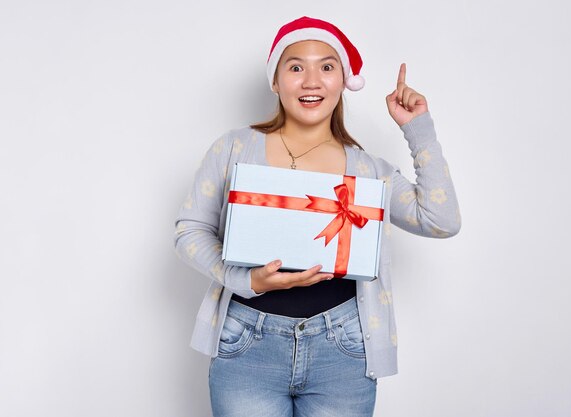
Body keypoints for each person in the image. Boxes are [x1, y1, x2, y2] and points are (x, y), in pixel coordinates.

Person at [173, 16, 461, 417]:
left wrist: (419, 129)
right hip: (246, 344)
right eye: (296, 67)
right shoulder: (234, 148)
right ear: (275, 80)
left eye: (326, 67)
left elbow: (440, 219)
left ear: (343, 79)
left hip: (343, 350)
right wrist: (246, 278)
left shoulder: (369, 171)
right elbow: (190, 231)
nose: (311, 80)